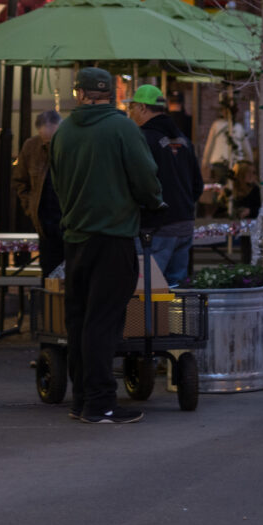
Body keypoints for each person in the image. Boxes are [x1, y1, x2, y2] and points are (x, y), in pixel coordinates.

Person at [50, 67, 163, 424]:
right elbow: (146, 179)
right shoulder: (122, 127)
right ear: (111, 93)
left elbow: (56, 182)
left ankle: (81, 399)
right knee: (103, 323)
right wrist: (152, 200)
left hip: (75, 237)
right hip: (114, 237)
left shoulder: (64, 131)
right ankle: (101, 404)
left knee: (80, 321)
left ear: (79, 93)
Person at [126, 85, 203, 288]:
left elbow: (139, 182)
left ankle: (151, 322)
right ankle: (175, 322)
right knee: (176, 288)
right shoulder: (183, 139)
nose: (130, 113)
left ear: (142, 108)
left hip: (155, 227)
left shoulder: (141, 139)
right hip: (184, 223)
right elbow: (197, 185)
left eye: (132, 107)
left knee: (150, 290)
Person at [12, 110, 63, 273]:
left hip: (68, 221)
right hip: (44, 222)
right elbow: (20, 181)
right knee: (48, 271)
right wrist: (30, 206)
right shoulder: (31, 147)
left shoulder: (70, 144)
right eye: (45, 139)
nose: (49, 144)